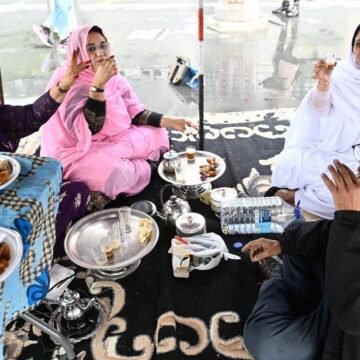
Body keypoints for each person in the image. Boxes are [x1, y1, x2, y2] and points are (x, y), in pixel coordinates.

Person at [40, 24, 197, 201]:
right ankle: (147, 167)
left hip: (117, 139)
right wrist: (98, 85)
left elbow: (134, 112)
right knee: (112, 172)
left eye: (103, 45)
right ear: (78, 53)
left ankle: (137, 166)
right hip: (81, 151)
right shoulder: (67, 81)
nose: (100, 53)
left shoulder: (112, 74)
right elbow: (90, 129)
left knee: (158, 132)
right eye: (91, 49)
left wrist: (169, 121)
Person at [241, 160, 360, 360]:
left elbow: (351, 316)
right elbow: (330, 233)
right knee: (297, 233)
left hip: (349, 331)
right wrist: (282, 244)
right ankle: (301, 303)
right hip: (343, 282)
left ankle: (275, 283)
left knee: (268, 343)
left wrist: (349, 218)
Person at [0, 49, 91, 257]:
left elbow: (32, 115)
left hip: (15, 196)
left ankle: (41, 253)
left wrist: (65, 83)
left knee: (78, 191)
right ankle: (34, 258)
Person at [266, 24, 360, 219]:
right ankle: (295, 196)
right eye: (359, 44)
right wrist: (324, 83)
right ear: (352, 49)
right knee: (309, 175)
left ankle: (296, 197)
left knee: (350, 198)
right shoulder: (341, 75)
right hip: (332, 151)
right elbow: (317, 110)